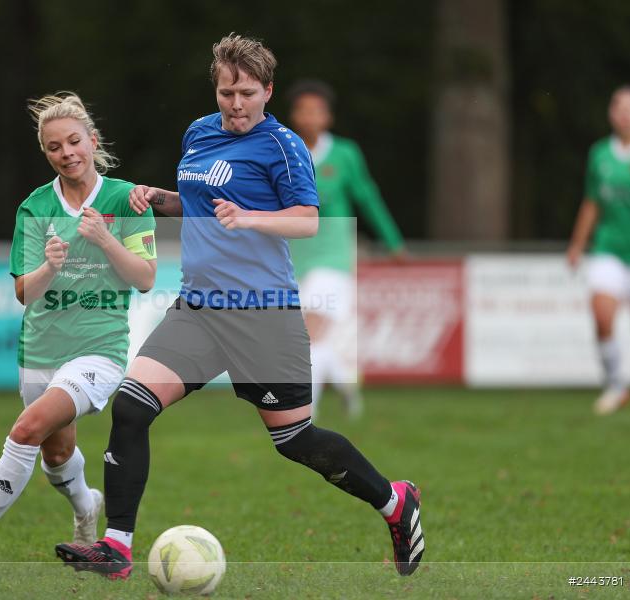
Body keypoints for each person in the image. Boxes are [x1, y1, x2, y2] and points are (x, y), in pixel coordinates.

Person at [54, 34, 424, 579]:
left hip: (262, 314)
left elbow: (307, 219)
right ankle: (117, 546)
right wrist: (160, 199)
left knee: (296, 439)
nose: (236, 103)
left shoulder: (283, 146)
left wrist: (247, 217)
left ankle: (395, 502)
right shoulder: (199, 133)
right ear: (217, 89)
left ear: (267, 91)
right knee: (132, 405)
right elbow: (201, 204)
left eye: (248, 93)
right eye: (228, 92)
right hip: (199, 308)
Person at [0, 93, 157, 569]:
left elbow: (145, 278)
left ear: (93, 140)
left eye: (74, 141)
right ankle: (87, 506)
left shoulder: (125, 198)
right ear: (45, 153)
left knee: (26, 428)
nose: (67, 153)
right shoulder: (34, 206)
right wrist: (50, 267)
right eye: (54, 147)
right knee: (56, 452)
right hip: (40, 349)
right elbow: (25, 292)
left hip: (99, 349)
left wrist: (106, 239)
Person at [286, 79, 406, 420]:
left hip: (334, 255)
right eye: (303, 110)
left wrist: (393, 242)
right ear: (294, 116)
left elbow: (368, 197)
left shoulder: (345, 154)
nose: (309, 116)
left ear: (328, 117)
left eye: (317, 110)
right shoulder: (283, 152)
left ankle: (304, 413)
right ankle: (346, 382)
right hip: (295, 255)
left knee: (311, 330)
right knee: (310, 336)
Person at [567, 85, 630, 415]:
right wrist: (577, 245)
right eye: (618, 107)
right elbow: (592, 203)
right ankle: (615, 384)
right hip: (609, 247)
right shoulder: (599, 154)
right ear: (611, 114)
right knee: (601, 313)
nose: (624, 113)